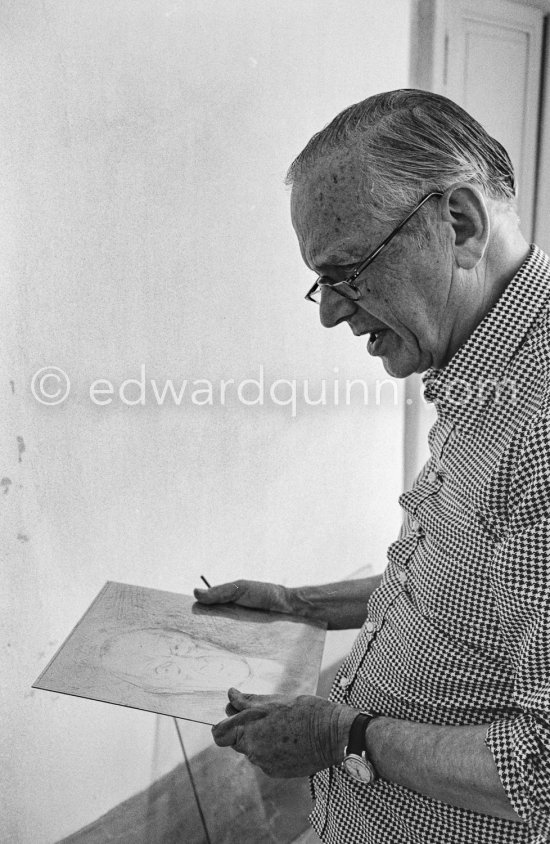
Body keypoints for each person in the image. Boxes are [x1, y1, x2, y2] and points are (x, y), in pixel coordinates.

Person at [194, 90, 550, 843]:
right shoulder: (486, 363)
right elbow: (453, 586)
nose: (329, 311)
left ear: (458, 224)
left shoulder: (539, 429)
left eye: (347, 270)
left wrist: (343, 739)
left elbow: (543, 770)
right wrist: (302, 602)